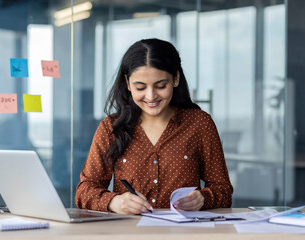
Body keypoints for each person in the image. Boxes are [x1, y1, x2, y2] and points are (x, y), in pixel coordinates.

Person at [75, 38, 233, 214]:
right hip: (129, 233)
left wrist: (204, 198)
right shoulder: (111, 127)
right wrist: (114, 202)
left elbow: (223, 190)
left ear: (176, 78)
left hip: (184, 233)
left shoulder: (199, 123)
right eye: (140, 87)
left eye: (160, 86)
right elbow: (84, 191)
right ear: (128, 83)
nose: (151, 96)